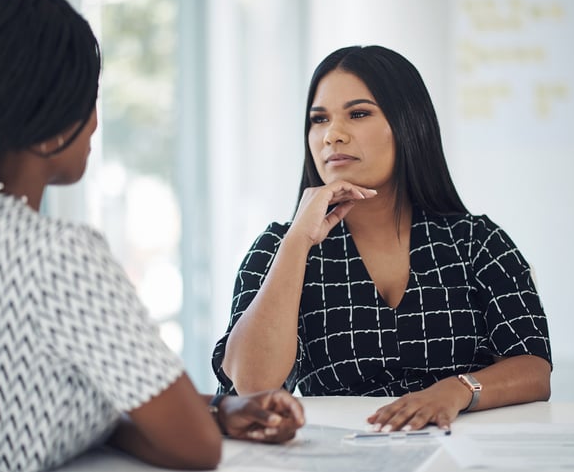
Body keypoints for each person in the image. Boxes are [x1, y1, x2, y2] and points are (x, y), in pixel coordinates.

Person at [0, 0, 303, 472]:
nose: (96, 122)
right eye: (91, 97)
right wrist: (193, 416)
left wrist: (213, 408)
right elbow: (194, 446)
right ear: (55, 126)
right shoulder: (59, 257)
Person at [212, 45, 552, 433]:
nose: (332, 136)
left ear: (408, 124)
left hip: (459, 448)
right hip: (338, 456)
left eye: (358, 114)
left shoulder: (476, 242)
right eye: (319, 120)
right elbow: (251, 387)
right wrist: (296, 243)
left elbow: (534, 368)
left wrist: (455, 391)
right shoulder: (278, 248)